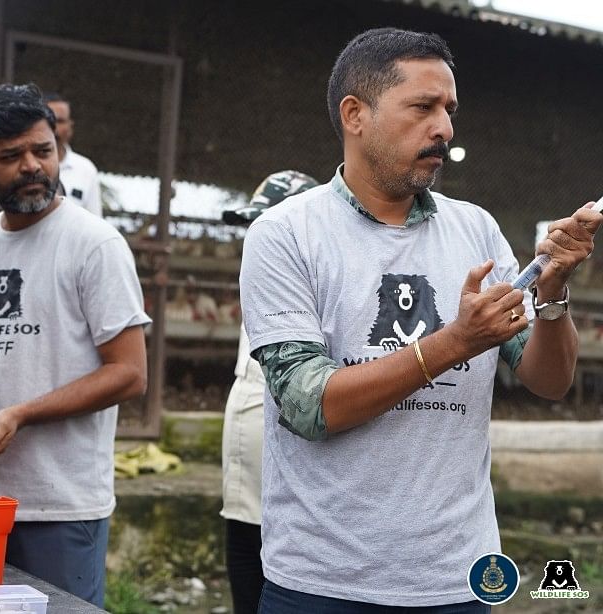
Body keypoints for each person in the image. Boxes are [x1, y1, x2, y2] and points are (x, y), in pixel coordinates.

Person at [240, 28, 602, 612]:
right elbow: (309, 406)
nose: (445, 129)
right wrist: (455, 342)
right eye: (422, 108)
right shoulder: (285, 234)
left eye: (450, 110)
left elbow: (549, 380)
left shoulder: (476, 230)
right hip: (324, 581)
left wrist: (554, 291)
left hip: (458, 577)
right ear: (355, 114)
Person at [0, 83, 150, 607]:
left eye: (43, 151)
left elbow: (129, 373)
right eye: (10, 156)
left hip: (61, 505)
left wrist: (23, 413)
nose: (31, 166)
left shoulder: (95, 245)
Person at [219, 170, 319, 614]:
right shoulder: (260, 280)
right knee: (245, 574)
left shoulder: (311, 277)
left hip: (291, 479)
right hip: (244, 488)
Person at [0, 92, 103, 221]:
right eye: (49, 120)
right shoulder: (9, 167)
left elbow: (95, 220)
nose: (54, 127)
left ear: (70, 127)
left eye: (60, 121)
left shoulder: (86, 169)